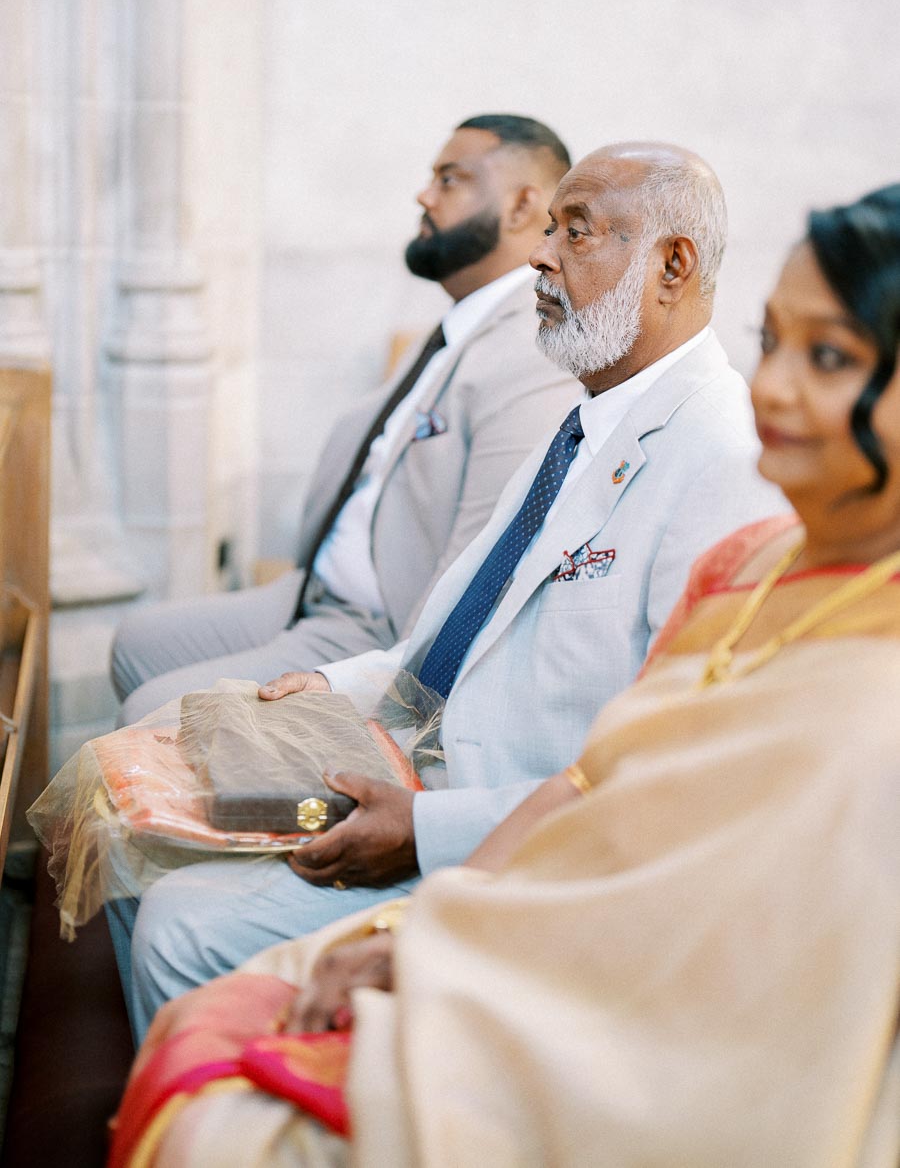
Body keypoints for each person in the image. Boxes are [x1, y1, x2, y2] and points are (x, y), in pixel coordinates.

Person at [110, 184, 900, 1167]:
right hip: (449, 798)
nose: (542, 255)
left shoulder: (727, 461)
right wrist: (340, 696)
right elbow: (456, 651)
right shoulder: (607, 447)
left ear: (673, 267)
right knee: (138, 809)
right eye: (773, 341)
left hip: (581, 911)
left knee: (184, 952)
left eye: (827, 357)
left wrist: (428, 865)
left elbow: (672, 858)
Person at [111, 114, 580, 724]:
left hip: (375, 628)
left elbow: (475, 567)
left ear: (522, 206)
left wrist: (386, 689)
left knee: (151, 714)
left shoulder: (530, 350)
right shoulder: (459, 325)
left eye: (450, 179)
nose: (424, 194)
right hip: (313, 594)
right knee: (136, 643)